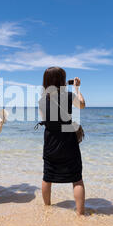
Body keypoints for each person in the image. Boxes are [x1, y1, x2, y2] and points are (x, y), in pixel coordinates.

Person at [38, 67, 86, 215]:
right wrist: (77, 89)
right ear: (61, 80)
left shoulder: (42, 100)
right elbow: (82, 105)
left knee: (48, 176)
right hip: (68, 141)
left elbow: (44, 119)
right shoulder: (69, 96)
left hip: (50, 141)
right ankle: (80, 213)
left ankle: (47, 208)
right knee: (76, 178)